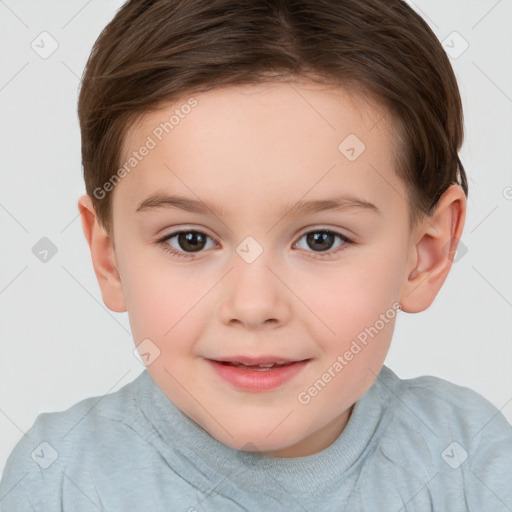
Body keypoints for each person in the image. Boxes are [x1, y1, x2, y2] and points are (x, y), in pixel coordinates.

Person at [1, 0, 511, 510]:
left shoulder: (470, 464)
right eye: (190, 240)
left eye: (321, 240)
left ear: (425, 253)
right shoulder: (59, 479)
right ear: (109, 256)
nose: (253, 305)